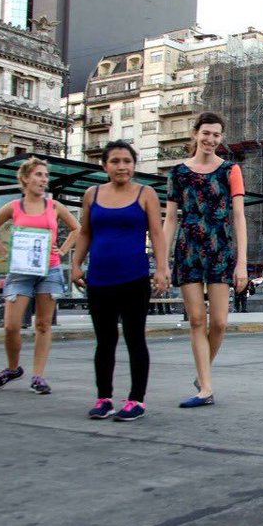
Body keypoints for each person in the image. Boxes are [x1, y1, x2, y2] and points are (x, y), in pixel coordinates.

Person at [71, 141, 169, 421]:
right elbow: (85, 232)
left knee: (134, 338)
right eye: (115, 161)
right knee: (104, 341)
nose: (122, 166)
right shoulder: (92, 194)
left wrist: (162, 268)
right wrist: (76, 265)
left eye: (127, 161)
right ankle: (104, 398)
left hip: (134, 278)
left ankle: (137, 399)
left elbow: (158, 234)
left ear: (134, 165)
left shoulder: (145, 193)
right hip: (99, 279)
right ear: (105, 165)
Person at [163, 112, 248, 408]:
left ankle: (203, 373)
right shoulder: (177, 173)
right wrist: (162, 259)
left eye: (216, 135)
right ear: (195, 133)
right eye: (207, 133)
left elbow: (239, 217)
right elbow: (170, 219)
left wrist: (242, 262)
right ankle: (206, 389)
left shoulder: (230, 170)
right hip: (188, 248)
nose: (211, 139)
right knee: (197, 320)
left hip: (220, 247)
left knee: (220, 322)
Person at [0, 158, 81, 395]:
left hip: (49, 269)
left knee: (43, 324)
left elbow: (77, 228)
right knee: (11, 325)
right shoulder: (14, 207)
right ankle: (12, 368)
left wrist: (64, 248)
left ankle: (38, 375)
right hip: (20, 271)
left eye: (46, 176)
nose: (43, 180)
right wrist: (4, 251)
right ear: (26, 178)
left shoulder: (54, 206)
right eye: (39, 175)